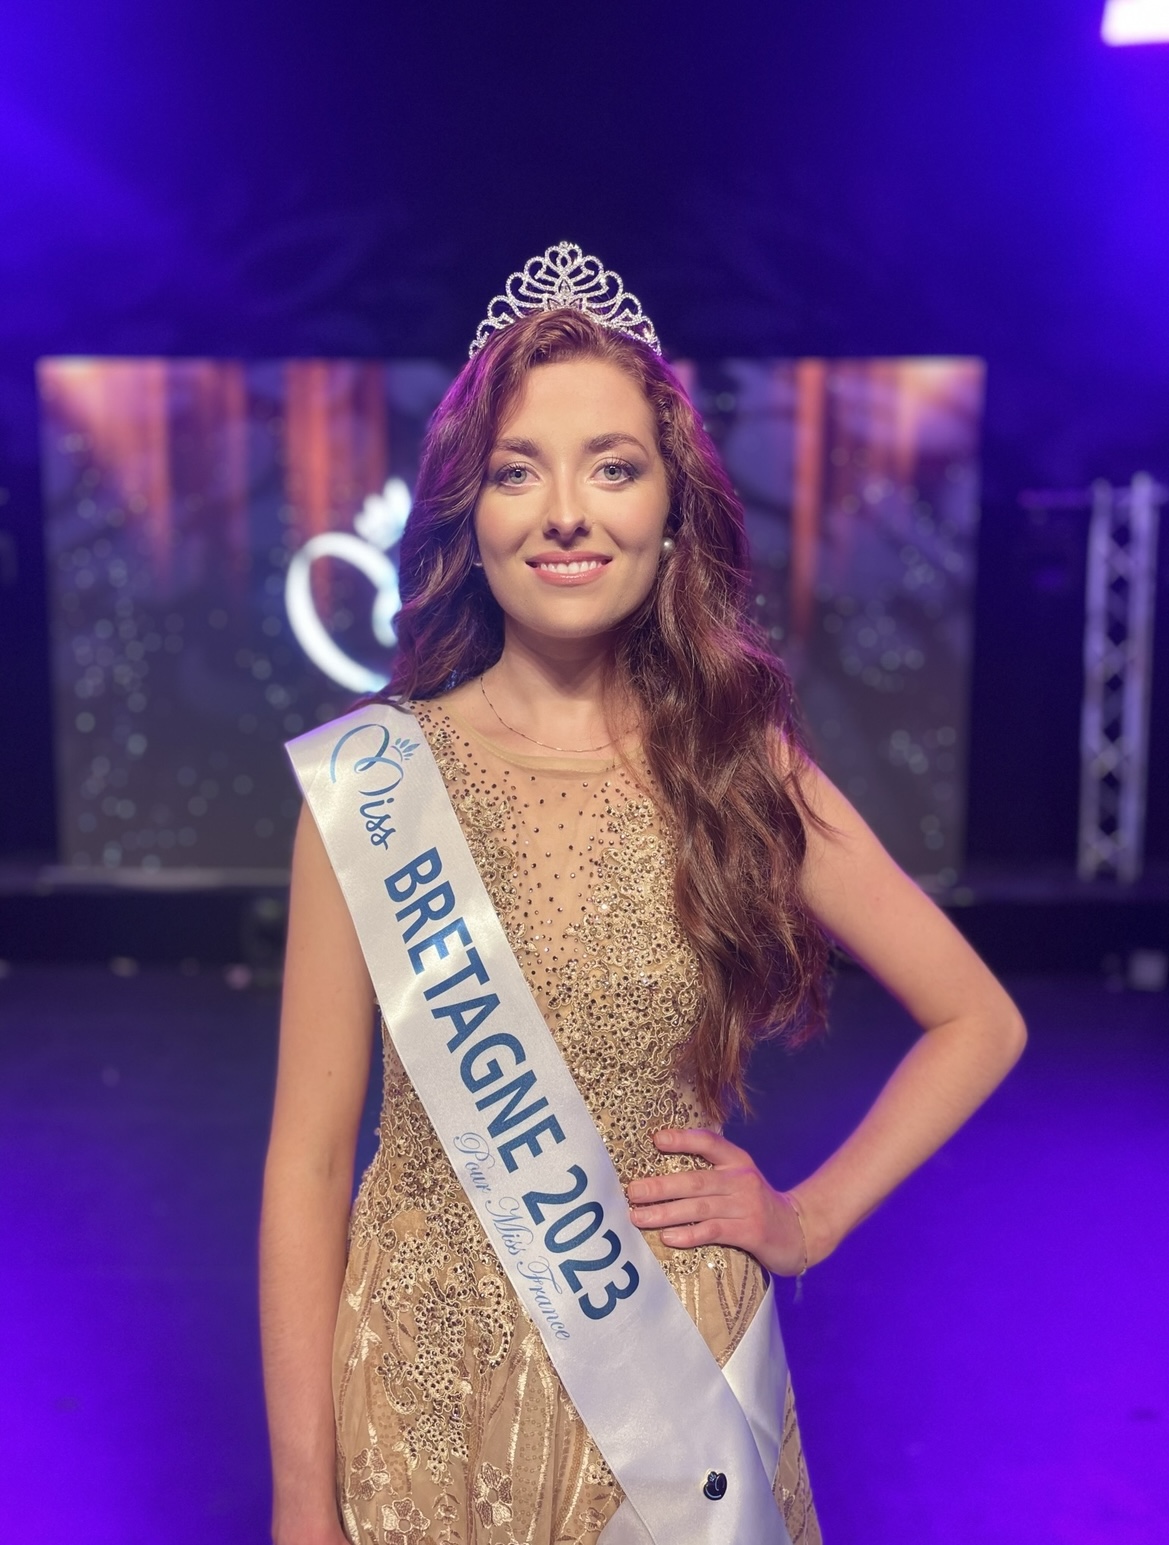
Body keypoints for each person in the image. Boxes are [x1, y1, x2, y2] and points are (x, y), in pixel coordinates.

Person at [260, 243, 1026, 1545]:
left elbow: (978, 1019)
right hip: (419, 1385)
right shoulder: (369, 780)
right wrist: (298, 1498)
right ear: (467, 515)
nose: (566, 512)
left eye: (612, 467)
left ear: (671, 511)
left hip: (667, 1383)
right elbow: (309, 1160)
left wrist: (807, 1217)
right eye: (518, 470)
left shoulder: (734, 765)